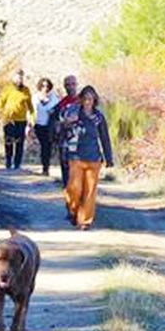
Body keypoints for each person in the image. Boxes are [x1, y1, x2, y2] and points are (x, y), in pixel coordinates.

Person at [63, 85, 115, 230]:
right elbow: (63, 127)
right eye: (85, 99)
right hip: (76, 157)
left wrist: (108, 158)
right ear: (81, 99)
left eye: (91, 99)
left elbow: (105, 137)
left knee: (90, 191)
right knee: (74, 189)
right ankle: (73, 211)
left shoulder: (98, 117)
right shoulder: (74, 112)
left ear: (94, 100)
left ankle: (85, 221)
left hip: (94, 158)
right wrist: (68, 122)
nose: (88, 102)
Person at [0, 68, 34, 170]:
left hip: (21, 120)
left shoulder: (26, 90)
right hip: (9, 120)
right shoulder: (8, 89)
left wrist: (32, 119)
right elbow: (0, 103)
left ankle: (17, 163)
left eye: (21, 78)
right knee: (9, 141)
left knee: (19, 142)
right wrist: (3, 114)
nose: (19, 80)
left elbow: (30, 106)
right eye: (17, 77)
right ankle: (8, 160)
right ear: (14, 78)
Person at [48, 74, 81, 187]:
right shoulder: (62, 103)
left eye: (72, 84)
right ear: (64, 87)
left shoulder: (83, 102)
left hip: (80, 139)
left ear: (76, 85)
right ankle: (67, 185)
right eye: (67, 85)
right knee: (65, 162)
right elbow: (53, 118)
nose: (70, 87)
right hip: (65, 139)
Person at [32, 77, 59, 176]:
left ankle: (46, 168)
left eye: (47, 86)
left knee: (47, 146)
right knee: (43, 145)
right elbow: (31, 111)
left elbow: (58, 109)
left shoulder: (54, 98)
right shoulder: (35, 97)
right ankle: (44, 166)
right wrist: (29, 124)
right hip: (38, 124)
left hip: (49, 126)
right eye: (43, 86)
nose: (45, 88)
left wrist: (53, 112)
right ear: (40, 86)